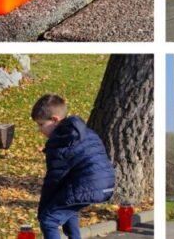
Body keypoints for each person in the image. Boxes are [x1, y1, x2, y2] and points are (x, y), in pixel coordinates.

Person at [32, 94, 116, 239]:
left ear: (54, 120)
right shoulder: (84, 132)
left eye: (41, 124)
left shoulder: (60, 143)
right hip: (106, 182)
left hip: (89, 184)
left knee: (48, 220)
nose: (40, 130)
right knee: (69, 209)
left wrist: (42, 209)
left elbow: (53, 180)